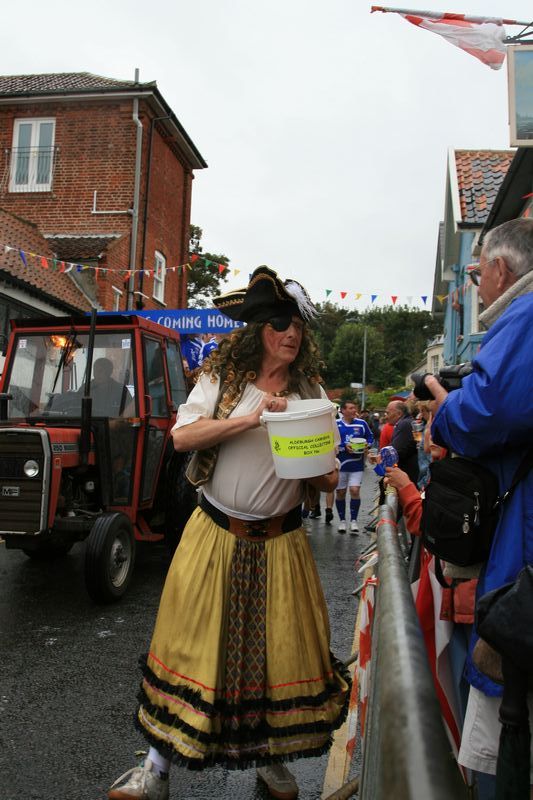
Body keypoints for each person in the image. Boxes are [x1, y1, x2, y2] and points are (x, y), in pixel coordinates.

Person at [108, 266, 350, 800]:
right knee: (192, 647)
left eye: (297, 328)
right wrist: (250, 418)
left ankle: (273, 764)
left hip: (282, 542)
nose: (291, 335)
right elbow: (182, 438)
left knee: (279, 655)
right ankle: (155, 770)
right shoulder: (222, 381)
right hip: (215, 534)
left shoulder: (311, 392)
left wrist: (303, 442)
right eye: (279, 325)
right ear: (257, 330)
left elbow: (330, 476)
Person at [424, 218, 533, 790]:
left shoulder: (527, 312)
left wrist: (448, 406)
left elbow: (492, 411)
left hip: (526, 537)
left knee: (509, 699)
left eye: (475, 272)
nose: (474, 285)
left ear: (498, 267)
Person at [334, 400, 373, 534]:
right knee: (340, 492)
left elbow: (370, 438)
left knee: (355, 491)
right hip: (341, 465)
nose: (353, 410)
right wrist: (344, 447)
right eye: (350, 408)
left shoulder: (362, 423)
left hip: (357, 464)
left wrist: (367, 445)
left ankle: (354, 521)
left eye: (354, 408)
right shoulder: (336, 424)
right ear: (343, 411)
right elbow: (330, 443)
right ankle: (342, 521)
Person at [385, 400, 419, 485]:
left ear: (399, 414)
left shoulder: (404, 424)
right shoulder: (406, 422)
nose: (386, 416)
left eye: (388, 413)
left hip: (407, 472)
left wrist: (381, 456)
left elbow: (396, 450)